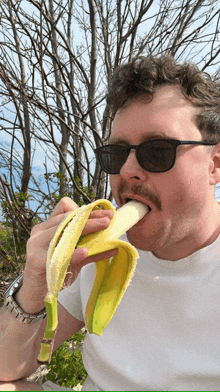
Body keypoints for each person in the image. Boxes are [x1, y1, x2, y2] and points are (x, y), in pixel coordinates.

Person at [1, 54, 220, 391]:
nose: (128, 171)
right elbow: (6, 367)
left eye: (157, 150)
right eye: (116, 155)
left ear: (215, 164)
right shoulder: (96, 251)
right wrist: (35, 282)